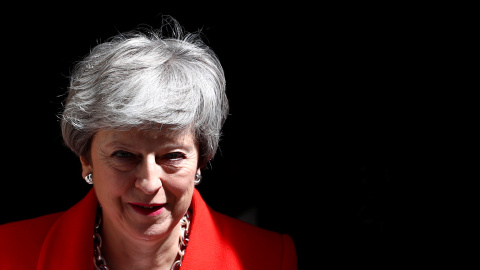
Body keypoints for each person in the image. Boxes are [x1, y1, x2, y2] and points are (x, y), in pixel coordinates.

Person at [0, 18, 297, 269]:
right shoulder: (8, 254)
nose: (148, 183)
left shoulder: (272, 259)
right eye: (124, 155)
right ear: (86, 159)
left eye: (172, 156)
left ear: (201, 160)